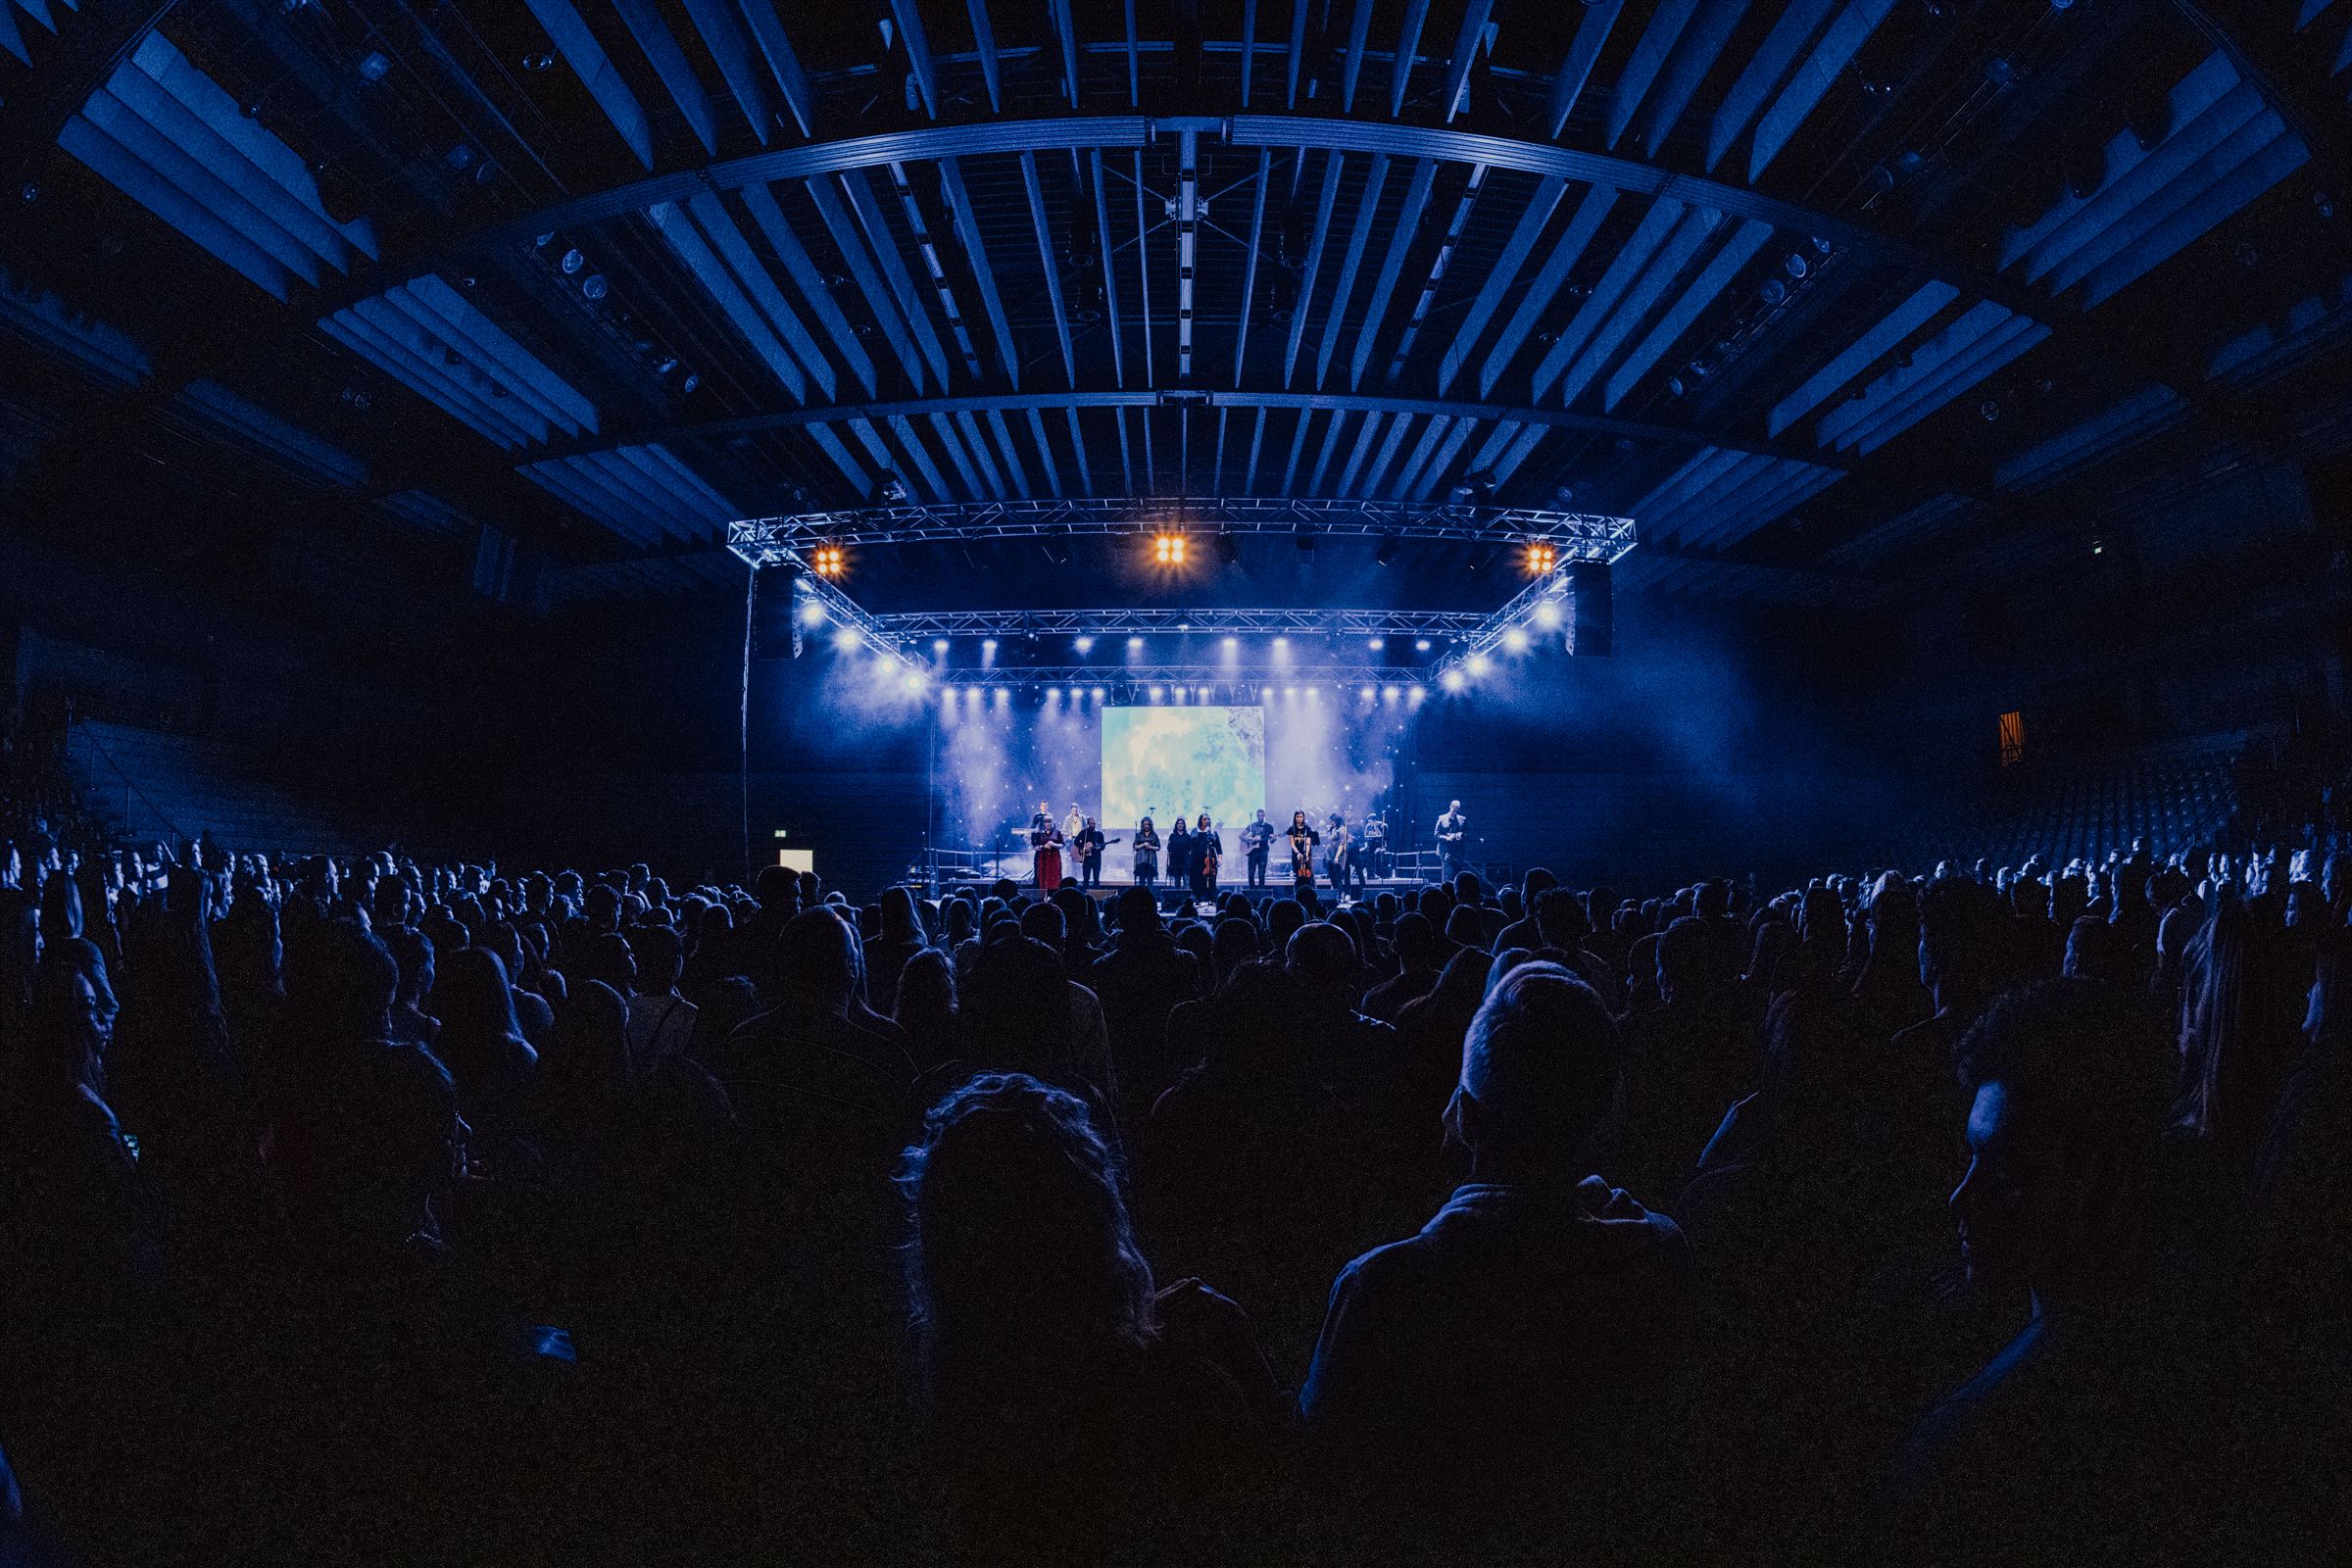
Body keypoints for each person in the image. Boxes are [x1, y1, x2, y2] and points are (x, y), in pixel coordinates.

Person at [1300, 962, 1693, 1557]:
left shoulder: (1383, 1291)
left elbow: (1321, 1482)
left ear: (1463, 1114)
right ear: (1605, 1114)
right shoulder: (1661, 1256)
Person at [1874, 979, 2211, 1566]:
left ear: (2102, 1180)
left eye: (2005, 1171)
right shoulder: (2200, 1347)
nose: (1961, 1198)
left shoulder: (1965, 1457)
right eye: (1971, 1159)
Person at [899, 1073, 1282, 1565]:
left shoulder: (949, 1418)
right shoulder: (1177, 1401)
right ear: (1093, 1217)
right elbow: (1284, 1520)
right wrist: (1245, 1360)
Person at [1286, 811, 1321, 910]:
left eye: (1301, 817)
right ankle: (1298, 896)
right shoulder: (1291, 829)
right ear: (1295, 818)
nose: (1299, 819)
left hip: (1307, 853)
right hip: (1296, 854)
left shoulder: (1307, 828)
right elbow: (1292, 844)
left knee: (1310, 874)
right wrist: (1298, 853)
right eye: (1298, 817)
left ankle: (1314, 895)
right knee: (1299, 875)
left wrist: (1306, 854)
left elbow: (1308, 842)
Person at [1027, 801, 1063, 892]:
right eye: (1046, 822)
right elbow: (1035, 844)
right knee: (1039, 874)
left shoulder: (1056, 831)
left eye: (1049, 822)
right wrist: (1043, 846)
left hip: (1053, 857)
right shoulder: (1037, 819)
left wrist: (1054, 844)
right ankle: (1039, 893)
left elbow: (1062, 843)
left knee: (1054, 876)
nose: (1048, 824)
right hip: (1042, 856)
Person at [1188, 812, 1222, 904]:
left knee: (1211, 878)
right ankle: (1198, 898)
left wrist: (1220, 859)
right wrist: (1201, 833)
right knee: (1197, 878)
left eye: (1208, 819)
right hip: (1196, 859)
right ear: (1200, 821)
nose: (1207, 821)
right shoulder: (1195, 831)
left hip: (1210, 859)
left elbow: (1218, 847)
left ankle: (1211, 898)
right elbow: (1193, 843)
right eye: (1204, 819)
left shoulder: (1213, 832)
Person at [1435, 800, 1469, 882]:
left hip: (1458, 851)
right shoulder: (1441, 818)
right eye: (1454, 810)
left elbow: (1467, 834)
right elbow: (1436, 834)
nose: (1455, 813)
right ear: (1450, 807)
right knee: (1450, 873)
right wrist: (1446, 838)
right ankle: (1448, 888)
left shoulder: (1462, 819)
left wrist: (1460, 835)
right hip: (1445, 850)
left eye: (1457, 811)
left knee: (1458, 873)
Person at [1241, 809, 1275, 889]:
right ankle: (1251, 889)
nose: (1260, 817)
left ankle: (1261, 890)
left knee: (1261, 873)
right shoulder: (1252, 826)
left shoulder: (1269, 827)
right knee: (1251, 873)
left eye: (1261, 816)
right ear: (1256, 816)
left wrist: (1273, 838)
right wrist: (1250, 839)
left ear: (1264, 816)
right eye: (1258, 816)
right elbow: (1241, 836)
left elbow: (1272, 841)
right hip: (1252, 852)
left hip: (1263, 852)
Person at [1074, 816, 1107, 891]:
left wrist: (1100, 847)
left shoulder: (1099, 834)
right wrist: (1083, 847)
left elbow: (1103, 846)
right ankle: (1085, 893)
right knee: (1086, 878)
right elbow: (1076, 841)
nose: (1093, 825)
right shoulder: (1084, 833)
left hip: (1096, 859)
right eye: (1091, 824)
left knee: (1096, 878)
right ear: (1088, 824)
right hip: (1086, 859)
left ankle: (1096, 894)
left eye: (1094, 824)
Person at [1326, 813, 1352, 898]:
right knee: (1331, 876)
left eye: (1332, 821)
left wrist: (1337, 856)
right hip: (1329, 856)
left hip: (1337, 856)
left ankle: (1340, 894)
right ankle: (1336, 893)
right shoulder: (1332, 829)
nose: (1331, 823)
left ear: (1336, 821)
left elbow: (1341, 844)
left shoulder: (1342, 830)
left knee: (1337, 876)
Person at [1132, 814, 1159, 889]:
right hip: (1141, 860)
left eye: (1148, 824)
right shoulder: (1138, 835)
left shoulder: (1154, 835)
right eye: (1145, 824)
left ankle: (1150, 895)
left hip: (1151, 861)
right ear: (1142, 825)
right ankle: (1142, 895)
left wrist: (1150, 847)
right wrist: (1143, 844)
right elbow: (1135, 846)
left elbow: (1158, 847)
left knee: (1150, 881)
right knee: (1142, 881)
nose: (1147, 826)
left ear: (1150, 825)